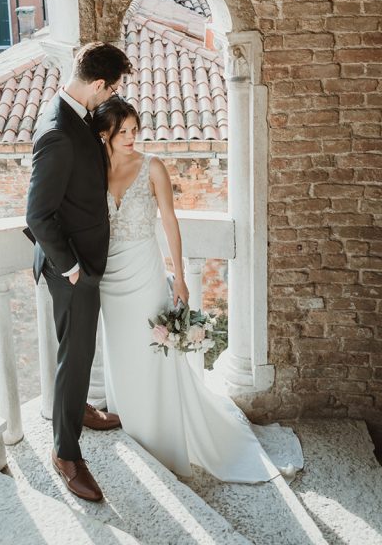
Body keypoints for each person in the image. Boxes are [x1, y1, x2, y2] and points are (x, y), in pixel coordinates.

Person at [94, 96, 296, 483]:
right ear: (106, 134)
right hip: (109, 275)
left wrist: (181, 277)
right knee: (120, 351)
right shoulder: (95, 169)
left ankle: (165, 435)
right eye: (124, 132)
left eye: (136, 130)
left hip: (143, 271)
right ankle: (133, 424)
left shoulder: (152, 167)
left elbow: (169, 221)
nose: (133, 137)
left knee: (153, 351)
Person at [25, 42, 133, 503]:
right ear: (97, 84)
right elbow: (38, 215)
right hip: (71, 267)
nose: (113, 96)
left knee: (81, 355)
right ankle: (66, 453)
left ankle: (80, 409)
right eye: (113, 88)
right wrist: (70, 268)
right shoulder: (58, 132)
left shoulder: (76, 111)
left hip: (84, 260)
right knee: (76, 355)